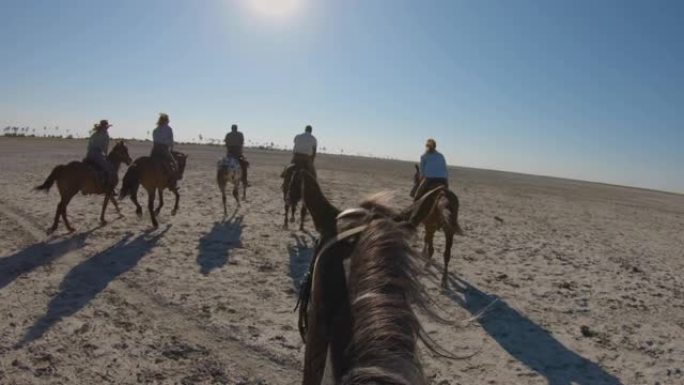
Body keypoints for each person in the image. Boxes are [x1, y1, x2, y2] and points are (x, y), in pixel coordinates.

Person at [85, 119, 115, 190]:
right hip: (97, 154)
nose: (107, 128)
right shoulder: (105, 135)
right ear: (105, 127)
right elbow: (105, 149)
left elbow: (89, 145)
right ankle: (108, 186)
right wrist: (105, 156)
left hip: (89, 154)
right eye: (106, 127)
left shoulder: (95, 133)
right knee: (109, 168)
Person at [151, 113, 178, 187]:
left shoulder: (155, 129)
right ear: (166, 120)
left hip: (155, 149)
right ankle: (172, 184)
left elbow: (154, 140)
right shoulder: (168, 129)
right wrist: (171, 147)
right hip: (163, 149)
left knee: (151, 161)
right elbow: (171, 141)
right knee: (174, 165)